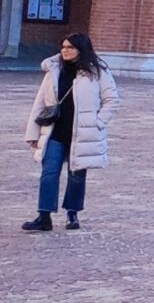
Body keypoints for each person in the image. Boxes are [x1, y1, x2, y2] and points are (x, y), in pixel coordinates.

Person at [22, 33, 116, 232]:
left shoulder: (97, 71)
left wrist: (97, 122)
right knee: (48, 174)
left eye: (70, 47)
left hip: (81, 132)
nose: (65, 50)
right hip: (54, 131)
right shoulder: (54, 70)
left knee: (76, 176)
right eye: (63, 46)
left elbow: (112, 99)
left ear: (81, 49)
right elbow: (40, 103)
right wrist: (33, 132)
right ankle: (44, 216)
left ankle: (72, 214)